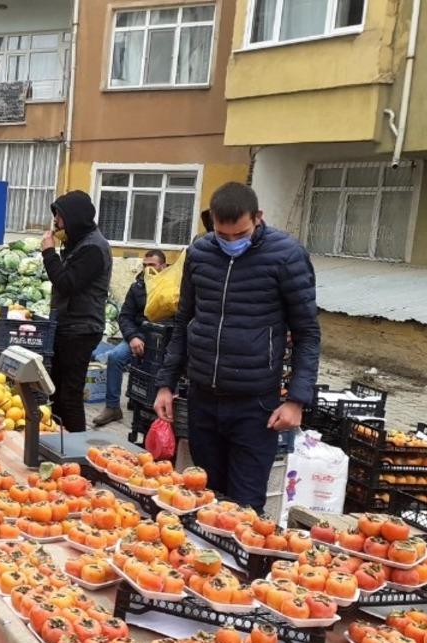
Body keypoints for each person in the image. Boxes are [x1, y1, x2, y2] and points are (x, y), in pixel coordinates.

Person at [154, 182, 320, 512]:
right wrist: (165, 384)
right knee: (204, 498)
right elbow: (184, 321)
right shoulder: (200, 253)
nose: (232, 242)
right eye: (223, 235)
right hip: (203, 398)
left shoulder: (286, 256)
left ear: (258, 217)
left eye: (240, 234)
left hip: (254, 406)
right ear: (211, 221)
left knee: (244, 508)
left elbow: (307, 334)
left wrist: (297, 401)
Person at [42, 191, 113, 433]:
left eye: (59, 218)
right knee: (58, 391)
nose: (56, 224)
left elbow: (67, 283)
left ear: (73, 218)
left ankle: (76, 451)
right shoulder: (80, 243)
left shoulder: (93, 248)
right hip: (69, 325)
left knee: (70, 394)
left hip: (81, 329)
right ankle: (58, 442)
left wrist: (49, 253)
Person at [93, 249, 166, 427]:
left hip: (163, 340)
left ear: (163, 266)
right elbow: (125, 316)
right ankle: (112, 407)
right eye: (145, 265)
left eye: (153, 265)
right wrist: (133, 337)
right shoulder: (137, 287)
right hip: (138, 336)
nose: (148, 269)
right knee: (115, 357)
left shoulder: (172, 288)